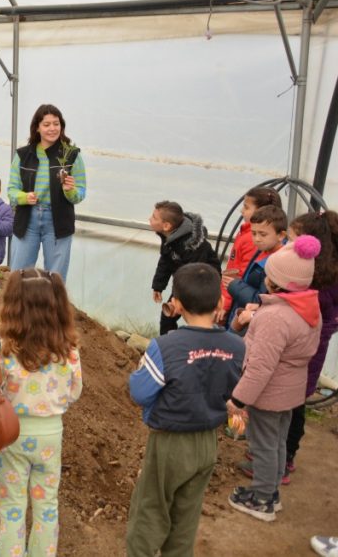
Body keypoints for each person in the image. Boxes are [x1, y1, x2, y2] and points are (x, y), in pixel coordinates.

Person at [125, 263, 245, 555]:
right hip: (207, 442)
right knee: (186, 516)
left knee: (150, 509)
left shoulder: (166, 346)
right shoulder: (237, 346)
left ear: (176, 304)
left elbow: (140, 392)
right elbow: (233, 388)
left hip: (170, 442)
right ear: (220, 301)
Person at [227, 236, 322, 522]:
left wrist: (238, 399)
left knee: (263, 445)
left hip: (269, 394)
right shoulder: (306, 307)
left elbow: (260, 367)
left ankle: (262, 500)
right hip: (290, 391)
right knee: (278, 442)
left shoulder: (275, 317)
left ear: (276, 281)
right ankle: (271, 493)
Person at [0, 268, 82, 556]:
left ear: (13, 303)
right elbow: (74, 391)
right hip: (50, 435)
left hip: (11, 435)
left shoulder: (4, 347)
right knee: (47, 506)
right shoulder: (68, 349)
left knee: (12, 508)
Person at [282, 212, 338, 481]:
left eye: (292, 242)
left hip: (308, 346)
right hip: (310, 343)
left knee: (293, 402)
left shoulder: (320, 278)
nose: (288, 246)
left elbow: (325, 317)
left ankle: (285, 456)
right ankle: (280, 452)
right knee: (293, 400)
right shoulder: (322, 270)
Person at [8, 104, 86, 280]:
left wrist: (70, 190)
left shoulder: (72, 155)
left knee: (55, 278)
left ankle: (52, 308)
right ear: (37, 127)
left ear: (62, 126)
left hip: (58, 221)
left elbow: (80, 193)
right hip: (28, 219)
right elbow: (11, 190)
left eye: (56, 123)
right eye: (46, 124)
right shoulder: (23, 155)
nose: (52, 128)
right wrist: (24, 197)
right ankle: (18, 308)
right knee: (18, 275)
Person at [149, 201, 220, 335]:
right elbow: (165, 261)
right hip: (185, 281)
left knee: (198, 320)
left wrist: (177, 299)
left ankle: (201, 348)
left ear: (166, 225)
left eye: (154, 217)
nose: (149, 219)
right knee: (168, 316)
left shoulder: (192, 246)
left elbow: (192, 275)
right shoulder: (170, 237)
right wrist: (158, 286)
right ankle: (169, 349)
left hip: (204, 285)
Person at [219, 187, 283, 323]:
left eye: (246, 207)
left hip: (242, 306)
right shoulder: (251, 236)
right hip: (237, 299)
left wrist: (225, 304)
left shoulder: (253, 241)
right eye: (255, 233)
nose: (241, 211)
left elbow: (240, 278)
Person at [225, 205, 288, 334]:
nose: (257, 239)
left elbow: (262, 300)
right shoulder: (261, 251)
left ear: (281, 235)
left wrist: (234, 285)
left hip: (251, 326)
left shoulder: (277, 265)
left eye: (263, 234)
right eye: (253, 233)